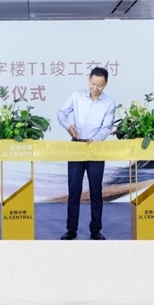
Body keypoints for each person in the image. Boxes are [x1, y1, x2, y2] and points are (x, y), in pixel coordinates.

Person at [57, 67, 116, 240]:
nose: (95, 88)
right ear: (88, 79)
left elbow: (107, 127)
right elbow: (61, 113)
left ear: (106, 83)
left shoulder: (109, 103)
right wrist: (68, 126)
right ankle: (71, 230)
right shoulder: (77, 96)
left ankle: (95, 230)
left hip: (95, 149)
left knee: (96, 191)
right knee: (74, 190)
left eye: (100, 85)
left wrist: (95, 139)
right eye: (93, 83)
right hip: (77, 147)